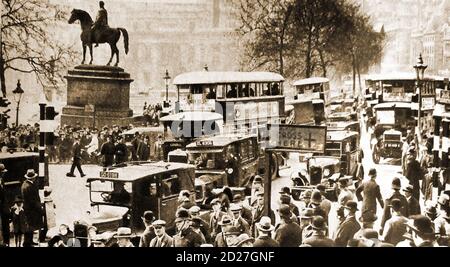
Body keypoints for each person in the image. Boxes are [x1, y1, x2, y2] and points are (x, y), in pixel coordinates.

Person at [21, 169, 43, 247]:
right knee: (30, 226)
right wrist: (39, 208)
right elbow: (33, 200)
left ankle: (30, 241)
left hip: (28, 208)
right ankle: (27, 243)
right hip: (31, 209)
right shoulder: (29, 186)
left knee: (30, 226)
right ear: (33, 178)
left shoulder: (25, 184)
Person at [0, 164, 10, 246]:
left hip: (4, 207)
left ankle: (6, 242)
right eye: (2, 172)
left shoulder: (2, 180)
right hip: (1, 207)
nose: (3, 174)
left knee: (5, 225)